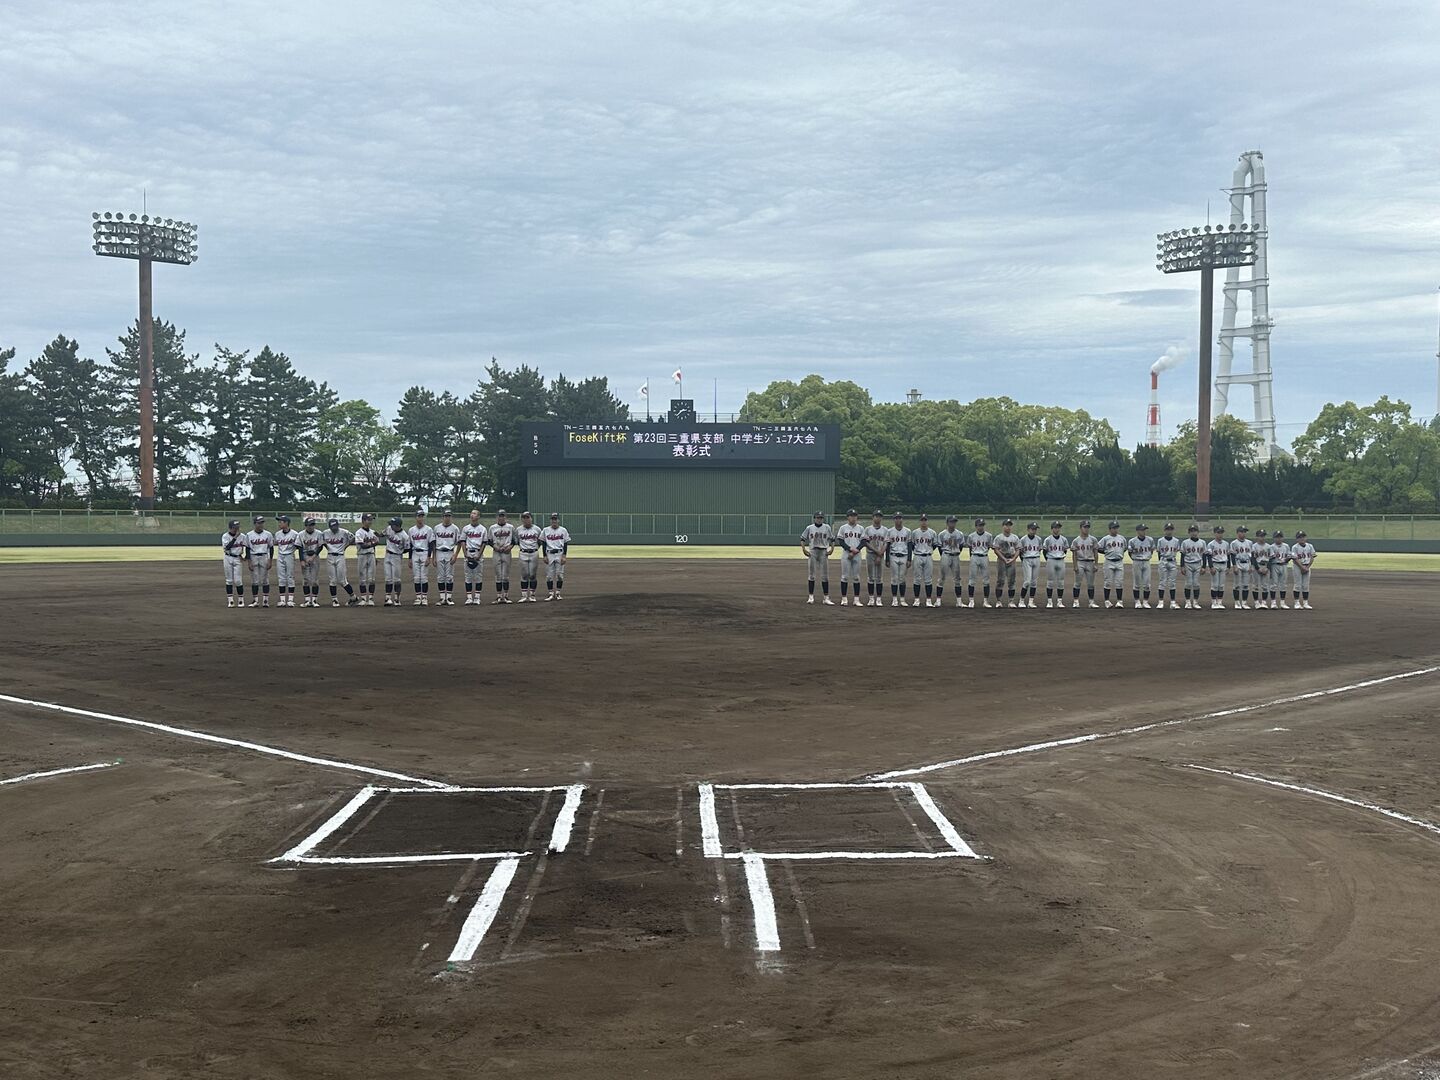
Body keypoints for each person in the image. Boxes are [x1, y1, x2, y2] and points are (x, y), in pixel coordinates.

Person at [834, 509, 867, 607]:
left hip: (857, 554)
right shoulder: (843, 528)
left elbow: (863, 541)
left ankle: (856, 600)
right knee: (844, 576)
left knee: (856, 577)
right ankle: (844, 599)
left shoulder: (861, 528)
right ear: (847, 517)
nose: (853, 517)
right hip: (846, 554)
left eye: (855, 516)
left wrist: (856, 550)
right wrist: (850, 549)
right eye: (851, 516)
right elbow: (841, 541)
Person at [323, 517, 359, 607]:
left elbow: (353, 538)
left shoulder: (344, 532)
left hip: (340, 556)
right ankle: (334, 600)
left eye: (335, 526)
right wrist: (329, 548)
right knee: (332, 580)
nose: (334, 528)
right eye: (332, 527)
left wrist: (345, 546)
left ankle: (353, 597)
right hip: (330, 556)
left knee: (342, 580)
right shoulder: (325, 533)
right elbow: (322, 543)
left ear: (338, 525)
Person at [800, 510, 834, 605]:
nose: (819, 519)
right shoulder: (809, 528)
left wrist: (832, 549)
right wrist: (804, 549)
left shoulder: (827, 527)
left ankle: (826, 598)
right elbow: (802, 539)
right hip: (813, 551)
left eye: (821, 518)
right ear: (814, 518)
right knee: (811, 575)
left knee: (825, 576)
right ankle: (811, 597)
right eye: (818, 518)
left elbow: (832, 539)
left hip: (823, 552)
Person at [460, 509, 490, 605]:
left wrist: (479, 555)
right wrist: (465, 553)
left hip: (478, 552)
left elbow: (484, 543)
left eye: (474, 513)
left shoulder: (483, 529)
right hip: (468, 552)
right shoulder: (466, 528)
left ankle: (477, 597)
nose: (472, 515)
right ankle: (469, 598)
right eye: (471, 513)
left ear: (478, 516)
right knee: (468, 576)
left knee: (478, 576)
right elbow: (463, 541)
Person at [432, 509, 461, 606]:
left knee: (449, 577)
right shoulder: (437, 528)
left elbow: (459, 543)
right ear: (442, 517)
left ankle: (448, 598)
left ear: (451, 517)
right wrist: (433, 557)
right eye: (445, 516)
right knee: (440, 577)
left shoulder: (455, 528)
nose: (447, 518)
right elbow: (433, 543)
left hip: (450, 552)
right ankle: (442, 598)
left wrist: (455, 555)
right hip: (439, 552)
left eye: (449, 516)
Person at [1096, 520, 1128, 608]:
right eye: (1114, 528)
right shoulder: (1106, 539)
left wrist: (1118, 553)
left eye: (1116, 528)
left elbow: (1124, 548)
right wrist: (1106, 552)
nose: (1115, 529)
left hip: (1119, 561)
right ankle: (1107, 601)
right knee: (1108, 582)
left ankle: (1119, 601)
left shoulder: (1122, 538)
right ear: (1110, 529)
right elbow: (1097, 548)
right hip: (1109, 561)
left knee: (1119, 582)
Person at [514, 511, 544, 603]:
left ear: (531, 518)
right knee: (524, 575)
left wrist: (535, 548)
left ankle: (532, 595)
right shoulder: (518, 529)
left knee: (532, 575)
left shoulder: (537, 529)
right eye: (524, 518)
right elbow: (517, 541)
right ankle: (524, 596)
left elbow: (540, 541)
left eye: (528, 517)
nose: (526, 519)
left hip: (534, 553)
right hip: (523, 553)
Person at [408, 509, 436, 606]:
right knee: (416, 577)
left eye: (422, 516)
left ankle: (424, 597)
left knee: (423, 577)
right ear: (415, 517)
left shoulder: (428, 529)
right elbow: (410, 545)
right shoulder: (411, 530)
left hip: (424, 553)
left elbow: (431, 544)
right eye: (419, 516)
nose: (420, 518)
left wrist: (429, 557)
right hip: (415, 553)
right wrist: (409, 558)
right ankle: (418, 597)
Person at [245, 515, 274, 608]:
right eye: (259, 523)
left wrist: (270, 560)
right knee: (255, 580)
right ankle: (256, 601)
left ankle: (265, 601)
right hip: (253, 556)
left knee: (265, 579)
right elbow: (247, 549)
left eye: (262, 523)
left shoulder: (268, 534)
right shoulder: (249, 535)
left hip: (264, 556)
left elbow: (271, 547)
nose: (261, 525)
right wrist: (249, 561)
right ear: (255, 524)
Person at [937, 515, 966, 607]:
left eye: (954, 522)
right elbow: (939, 546)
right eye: (951, 522)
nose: (953, 523)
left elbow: (961, 546)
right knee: (942, 578)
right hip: (946, 554)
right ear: (947, 523)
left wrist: (956, 553)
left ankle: (959, 601)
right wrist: (944, 555)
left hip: (955, 556)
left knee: (957, 579)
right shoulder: (942, 534)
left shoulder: (959, 534)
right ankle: (938, 600)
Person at [910, 513, 938, 606]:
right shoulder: (915, 532)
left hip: (928, 556)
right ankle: (916, 600)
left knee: (928, 579)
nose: (923, 522)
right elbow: (912, 545)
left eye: (925, 520)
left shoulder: (932, 532)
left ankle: (928, 600)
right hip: (917, 556)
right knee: (917, 579)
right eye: (922, 520)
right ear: (920, 521)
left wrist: (928, 550)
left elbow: (934, 545)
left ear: (927, 521)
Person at [1070, 520, 1099, 608]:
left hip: (1090, 562)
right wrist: (1075, 565)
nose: (1086, 529)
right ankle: (1075, 601)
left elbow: (1096, 553)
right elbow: (1074, 554)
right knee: (1077, 583)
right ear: (1080, 528)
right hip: (1080, 562)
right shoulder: (1076, 540)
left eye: (1087, 527)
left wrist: (1096, 564)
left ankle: (1091, 602)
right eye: (1084, 527)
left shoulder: (1093, 539)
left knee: (1091, 584)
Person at [543, 512, 572, 600]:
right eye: (552, 519)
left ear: (558, 520)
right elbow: (543, 543)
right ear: (550, 520)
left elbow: (565, 543)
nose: (554, 521)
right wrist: (544, 555)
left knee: (560, 575)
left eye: (555, 519)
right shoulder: (545, 530)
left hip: (559, 553)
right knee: (549, 576)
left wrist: (564, 556)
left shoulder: (563, 530)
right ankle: (551, 593)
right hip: (549, 553)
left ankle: (558, 593)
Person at [489, 510, 516, 604]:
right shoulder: (492, 528)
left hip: (507, 553)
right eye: (499, 516)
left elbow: (514, 540)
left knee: (505, 576)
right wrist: (495, 547)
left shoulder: (510, 527)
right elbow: (489, 540)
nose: (501, 518)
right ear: (497, 517)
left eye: (503, 516)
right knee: (498, 575)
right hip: (496, 552)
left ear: (506, 517)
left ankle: (506, 596)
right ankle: (499, 596)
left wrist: (510, 547)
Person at [966, 518, 994, 608]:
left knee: (986, 580)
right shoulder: (971, 536)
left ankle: (985, 601)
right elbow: (970, 548)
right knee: (972, 580)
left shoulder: (989, 536)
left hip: (984, 556)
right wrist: (972, 557)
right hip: (974, 556)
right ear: (976, 526)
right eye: (979, 525)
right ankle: (971, 601)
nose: (981, 527)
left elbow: (989, 547)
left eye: (982, 525)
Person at [992, 519, 1021, 608]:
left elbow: (1018, 549)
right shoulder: (999, 537)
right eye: (1006, 525)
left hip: (1011, 559)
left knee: (1011, 581)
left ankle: (1011, 601)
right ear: (1003, 526)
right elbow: (996, 550)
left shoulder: (1015, 537)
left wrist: (1013, 559)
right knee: (1000, 580)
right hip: (1001, 559)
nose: (1008, 527)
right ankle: (998, 601)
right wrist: (1004, 559)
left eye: (1009, 525)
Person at [1126, 523, 1156, 609]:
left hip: (1146, 561)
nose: (1144, 531)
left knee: (1147, 583)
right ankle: (1137, 601)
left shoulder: (1150, 540)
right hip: (1137, 561)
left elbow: (1152, 550)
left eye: (1144, 530)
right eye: (1142, 530)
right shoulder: (1132, 541)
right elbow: (1129, 552)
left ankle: (1145, 601)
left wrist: (1147, 556)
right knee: (1137, 583)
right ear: (1138, 531)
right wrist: (1134, 559)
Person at [273, 514, 300, 607]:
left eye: (281, 522)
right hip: (280, 556)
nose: (279, 524)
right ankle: (282, 600)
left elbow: (298, 546)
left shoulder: (295, 534)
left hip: (289, 556)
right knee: (281, 578)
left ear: (286, 523)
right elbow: (275, 543)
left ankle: (290, 600)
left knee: (290, 577)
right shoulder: (277, 534)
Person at [383, 516, 410, 606]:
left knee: (397, 579)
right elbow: (382, 534)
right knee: (388, 578)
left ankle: (397, 599)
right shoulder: (389, 529)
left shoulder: (404, 536)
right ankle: (388, 598)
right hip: (387, 555)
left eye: (392, 524)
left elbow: (407, 548)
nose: (391, 526)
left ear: (397, 525)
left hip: (396, 557)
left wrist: (399, 551)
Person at [886, 512, 911, 607]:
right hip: (893, 556)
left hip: (904, 556)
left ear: (902, 519)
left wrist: (909, 559)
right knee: (894, 578)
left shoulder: (907, 531)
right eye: (896, 518)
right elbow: (888, 546)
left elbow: (909, 546)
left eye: (900, 518)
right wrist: (887, 559)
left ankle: (902, 599)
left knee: (902, 578)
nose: (898, 520)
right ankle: (894, 599)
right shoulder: (889, 531)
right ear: (894, 520)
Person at [1042, 520, 1069, 609]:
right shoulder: (1048, 539)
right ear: (1052, 529)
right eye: (1055, 527)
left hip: (1061, 560)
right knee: (1050, 581)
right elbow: (1044, 551)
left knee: (1061, 582)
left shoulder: (1064, 539)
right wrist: (1048, 560)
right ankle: (1049, 601)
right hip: (1051, 560)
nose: (1057, 529)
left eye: (1058, 528)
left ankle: (1059, 601)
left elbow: (1065, 550)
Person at [353, 513, 379, 606]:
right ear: (363, 521)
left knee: (372, 579)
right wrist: (373, 543)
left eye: (371, 520)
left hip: (371, 555)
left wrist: (375, 556)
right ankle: (363, 599)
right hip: (362, 556)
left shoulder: (373, 532)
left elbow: (373, 546)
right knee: (362, 578)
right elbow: (362, 546)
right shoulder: (359, 532)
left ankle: (371, 599)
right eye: (369, 520)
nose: (370, 521)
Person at [297, 517, 324, 607]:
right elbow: (300, 548)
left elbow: (320, 547)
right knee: (305, 579)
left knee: (315, 580)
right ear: (306, 526)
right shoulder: (301, 534)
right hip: (305, 556)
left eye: (313, 524)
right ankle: (307, 601)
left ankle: (314, 601)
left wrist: (313, 557)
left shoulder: (319, 533)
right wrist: (302, 560)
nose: (311, 526)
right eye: (309, 525)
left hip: (315, 556)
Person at [863, 511, 888, 606]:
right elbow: (866, 542)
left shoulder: (885, 530)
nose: (878, 518)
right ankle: (871, 599)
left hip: (881, 555)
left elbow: (886, 543)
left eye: (879, 516)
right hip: (870, 554)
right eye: (876, 516)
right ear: (872, 517)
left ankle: (879, 599)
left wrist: (880, 554)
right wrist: (876, 552)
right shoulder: (867, 529)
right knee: (870, 577)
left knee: (879, 578)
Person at [1179, 524, 1207, 609]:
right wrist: (1182, 566)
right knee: (1188, 583)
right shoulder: (1185, 542)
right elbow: (1182, 555)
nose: (1193, 532)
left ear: (1198, 532)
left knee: (1196, 584)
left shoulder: (1202, 542)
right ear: (1189, 532)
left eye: (1195, 531)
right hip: (1188, 564)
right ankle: (1188, 602)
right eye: (1191, 531)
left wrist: (1204, 567)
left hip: (1198, 564)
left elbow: (1204, 555)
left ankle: (1195, 602)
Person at [221, 519, 247, 608]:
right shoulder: (225, 536)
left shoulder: (242, 536)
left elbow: (247, 546)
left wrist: (245, 556)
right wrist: (235, 537)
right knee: (229, 580)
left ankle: (241, 600)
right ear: (230, 528)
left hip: (237, 558)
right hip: (228, 558)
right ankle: (231, 601)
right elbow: (227, 547)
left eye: (237, 527)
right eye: (235, 527)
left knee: (238, 580)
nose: (237, 529)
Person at [1155, 522, 1181, 609]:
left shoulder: (1176, 541)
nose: (1169, 531)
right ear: (1164, 530)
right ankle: (1160, 602)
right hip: (1163, 560)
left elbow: (1177, 551)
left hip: (1172, 561)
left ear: (1173, 530)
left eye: (1170, 529)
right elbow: (1159, 553)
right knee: (1162, 582)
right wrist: (1161, 561)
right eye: (1167, 529)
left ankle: (1172, 602)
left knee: (1172, 582)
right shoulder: (1160, 540)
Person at [1229, 525, 1255, 609]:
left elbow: (1252, 555)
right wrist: (1234, 566)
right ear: (1237, 533)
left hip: (1247, 564)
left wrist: (1252, 565)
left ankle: (1244, 603)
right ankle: (1237, 602)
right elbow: (1232, 555)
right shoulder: (1234, 543)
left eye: (1245, 532)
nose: (1243, 533)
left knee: (1246, 585)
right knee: (1237, 585)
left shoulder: (1250, 543)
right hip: (1238, 563)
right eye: (1242, 532)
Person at [1018, 522, 1043, 608]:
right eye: (1032, 529)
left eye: (1035, 529)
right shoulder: (1023, 539)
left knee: (1034, 582)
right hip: (1027, 559)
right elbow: (1020, 552)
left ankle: (1031, 602)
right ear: (1028, 529)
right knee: (1027, 581)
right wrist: (1024, 560)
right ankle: (1021, 601)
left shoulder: (1039, 539)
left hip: (1036, 559)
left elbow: (1039, 550)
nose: (1034, 530)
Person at [1290, 530, 1317, 608]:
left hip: (1307, 566)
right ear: (1297, 539)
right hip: (1297, 567)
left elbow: (1312, 557)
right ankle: (1296, 603)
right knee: (1297, 585)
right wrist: (1302, 567)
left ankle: (1305, 603)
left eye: (1303, 537)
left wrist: (1307, 567)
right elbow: (1295, 559)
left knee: (1305, 585)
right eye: (1300, 537)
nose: (1302, 538)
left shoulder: (1310, 546)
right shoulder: (1295, 547)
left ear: (1306, 538)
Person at [1206, 525, 1231, 610]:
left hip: (1224, 564)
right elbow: (1209, 556)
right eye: (1218, 532)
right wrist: (1211, 567)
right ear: (1215, 533)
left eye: (1221, 533)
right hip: (1215, 564)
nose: (1220, 534)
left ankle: (1220, 602)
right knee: (1215, 585)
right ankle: (1214, 602)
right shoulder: (1211, 544)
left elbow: (1228, 555)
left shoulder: (1226, 544)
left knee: (1221, 585)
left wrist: (1228, 567)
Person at [1269, 530, 1292, 609]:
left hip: (1284, 566)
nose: (1278, 539)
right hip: (1274, 565)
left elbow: (1289, 556)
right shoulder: (1271, 547)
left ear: (1283, 538)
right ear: (1274, 538)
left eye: (1280, 537)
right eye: (1277, 537)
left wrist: (1286, 560)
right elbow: (1271, 558)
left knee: (1283, 584)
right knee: (1273, 584)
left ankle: (1282, 603)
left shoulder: (1286, 546)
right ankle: (1273, 603)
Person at [1252, 529, 1272, 610]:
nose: (1262, 537)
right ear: (1257, 537)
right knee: (1255, 585)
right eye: (1260, 536)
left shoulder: (1269, 546)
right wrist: (1257, 568)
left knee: (1265, 586)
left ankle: (1264, 602)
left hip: (1266, 565)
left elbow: (1271, 559)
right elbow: (1253, 558)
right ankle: (1256, 602)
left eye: (1263, 536)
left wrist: (1267, 568)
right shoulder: (1254, 546)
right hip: (1257, 565)